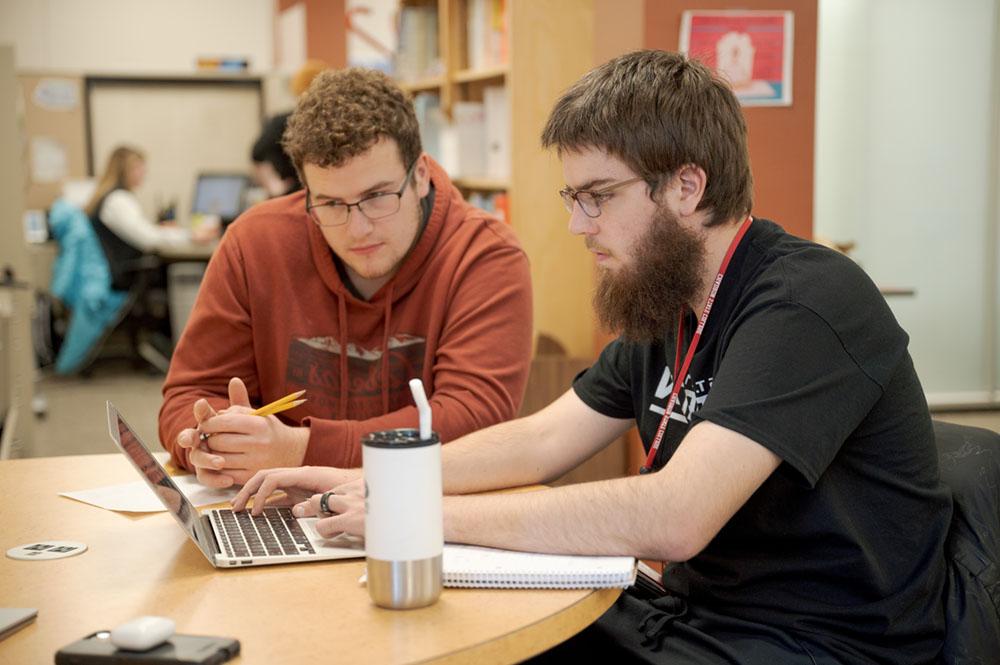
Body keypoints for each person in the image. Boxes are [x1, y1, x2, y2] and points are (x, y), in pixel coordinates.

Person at [234, 50, 951, 664]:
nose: (578, 224)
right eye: (572, 197)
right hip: (700, 621)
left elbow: (678, 513)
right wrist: (359, 473)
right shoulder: (666, 302)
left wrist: (413, 506)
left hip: (816, 643)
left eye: (598, 197)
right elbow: (542, 439)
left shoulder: (807, 300)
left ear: (686, 186)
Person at [159, 68, 533, 490]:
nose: (358, 229)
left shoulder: (485, 254)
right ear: (305, 192)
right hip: (275, 505)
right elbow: (190, 394)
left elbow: (475, 421)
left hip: (421, 508)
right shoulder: (254, 242)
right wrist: (205, 444)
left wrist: (301, 450)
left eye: (376, 197)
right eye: (331, 203)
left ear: (422, 175)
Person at [86, 146, 218, 290]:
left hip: (118, 270)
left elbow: (141, 232)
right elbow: (149, 239)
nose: (144, 172)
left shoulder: (110, 197)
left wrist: (161, 230)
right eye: (139, 168)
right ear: (125, 171)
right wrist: (191, 236)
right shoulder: (117, 200)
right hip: (125, 276)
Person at [250, 59, 328, 197]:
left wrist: (274, 186)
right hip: (297, 193)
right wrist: (275, 186)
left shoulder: (328, 122)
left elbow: (257, 154)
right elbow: (257, 153)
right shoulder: (283, 122)